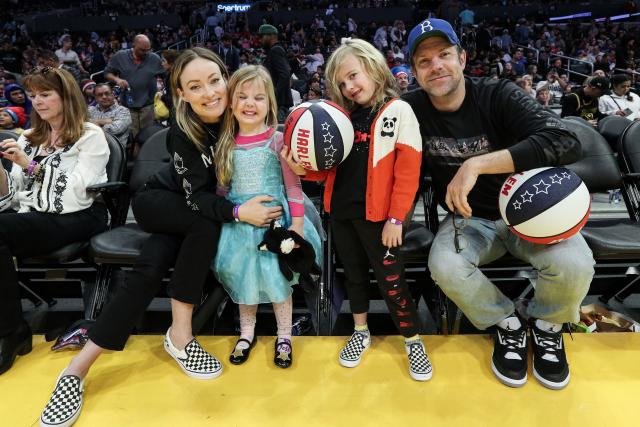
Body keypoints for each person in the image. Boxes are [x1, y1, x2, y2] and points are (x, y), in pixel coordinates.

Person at [38, 48, 282, 427]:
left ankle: (78, 366)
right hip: (158, 202)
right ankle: (180, 337)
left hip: (190, 211)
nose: (210, 93)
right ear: (181, 93)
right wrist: (239, 212)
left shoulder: (240, 115)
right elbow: (200, 201)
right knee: (205, 224)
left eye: (215, 81)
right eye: (195, 86)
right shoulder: (183, 134)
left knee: (152, 265)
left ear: (227, 79)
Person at [404, 17, 595, 390]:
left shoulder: (497, 94)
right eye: (424, 61)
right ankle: (507, 324)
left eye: (443, 55)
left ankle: (547, 326)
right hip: (470, 220)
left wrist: (477, 164)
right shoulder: (409, 109)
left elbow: (565, 141)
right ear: (414, 71)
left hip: (530, 216)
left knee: (576, 264)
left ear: (461, 57)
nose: (436, 66)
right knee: (444, 264)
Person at [283, 39, 432, 381]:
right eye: (342, 83)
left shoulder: (399, 110)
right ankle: (360, 331)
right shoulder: (342, 116)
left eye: (353, 76)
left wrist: (397, 219)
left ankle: (412, 339)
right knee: (353, 276)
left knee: (392, 280)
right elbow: (329, 169)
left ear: (374, 67)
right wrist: (303, 169)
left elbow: (408, 174)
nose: (350, 87)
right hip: (342, 213)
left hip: (380, 220)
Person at [0, 67, 109, 377]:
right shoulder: (29, 136)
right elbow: (17, 193)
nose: (38, 101)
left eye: (46, 94)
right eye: (33, 95)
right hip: (34, 213)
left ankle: (11, 332)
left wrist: (30, 165)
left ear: (66, 96)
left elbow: (77, 191)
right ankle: (10, 327)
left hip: (79, 215)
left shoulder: (90, 135)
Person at [213, 65, 322, 368]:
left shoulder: (277, 140)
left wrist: (297, 224)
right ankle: (246, 333)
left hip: (276, 225)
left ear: (270, 103)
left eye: (259, 97)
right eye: (243, 96)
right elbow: (222, 190)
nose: (250, 103)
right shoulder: (225, 143)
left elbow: (293, 185)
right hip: (239, 227)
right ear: (231, 103)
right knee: (244, 278)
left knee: (277, 280)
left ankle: (283, 335)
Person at [104, 34, 163, 137]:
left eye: (148, 50)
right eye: (142, 50)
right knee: (131, 138)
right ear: (133, 45)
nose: (146, 53)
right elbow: (107, 73)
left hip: (148, 106)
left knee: (148, 137)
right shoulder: (120, 56)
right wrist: (117, 79)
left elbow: (166, 75)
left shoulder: (154, 58)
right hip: (128, 107)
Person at [257, 24, 293, 122]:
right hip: (277, 104)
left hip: (279, 104)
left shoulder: (276, 50)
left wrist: (274, 95)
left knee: (277, 133)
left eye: (262, 36)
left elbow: (285, 74)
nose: (260, 40)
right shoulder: (274, 50)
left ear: (270, 36)